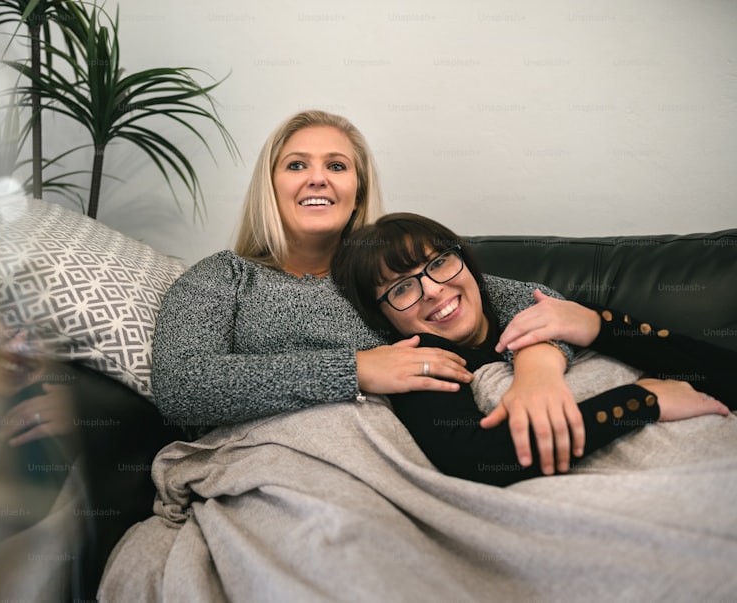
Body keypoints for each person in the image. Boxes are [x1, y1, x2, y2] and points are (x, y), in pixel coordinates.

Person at [152, 109, 588, 474]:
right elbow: (180, 385)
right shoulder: (220, 277)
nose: (317, 179)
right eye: (296, 165)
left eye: (337, 166)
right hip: (275, 462)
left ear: (357, 190)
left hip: (404, 458)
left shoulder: (385, 276)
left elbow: (536, 302)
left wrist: (536, 373)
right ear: (271, 184)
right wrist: (354, 369)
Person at [330, 212, 735, 485]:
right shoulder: (426, 362)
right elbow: (476, 461)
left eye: (438, 263)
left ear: (466, 262)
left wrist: (597, 326)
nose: (434, 291)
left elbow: (722, 371)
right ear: (383, 318)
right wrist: (641, 400)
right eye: (401, 287)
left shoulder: (545, 313)